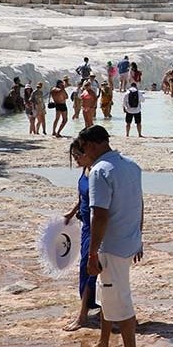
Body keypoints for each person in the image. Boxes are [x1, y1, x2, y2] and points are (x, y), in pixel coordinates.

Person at [79, 125, 144, 347]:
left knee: (121, 303)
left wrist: (92, 253)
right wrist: (139, 237)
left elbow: (100, 215)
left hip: (111, 247)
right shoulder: (131, 165)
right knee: (108, 294)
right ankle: (103, 342)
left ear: (92, 144)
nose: (84, 153)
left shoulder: (100, 170)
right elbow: (139, 204)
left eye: (83, 148)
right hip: (129, 241)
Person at [62, 138, 100, 331]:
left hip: (96, 227)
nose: (75, 160)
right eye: (73, 156)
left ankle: (83, 316)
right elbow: (82, 196)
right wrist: (71, 213)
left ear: (88, 152)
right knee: (86, 269)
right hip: (86, 226)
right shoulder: (85, 170)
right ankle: (96, 308)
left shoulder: (97, 172)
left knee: (90, 268)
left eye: (78, 155)